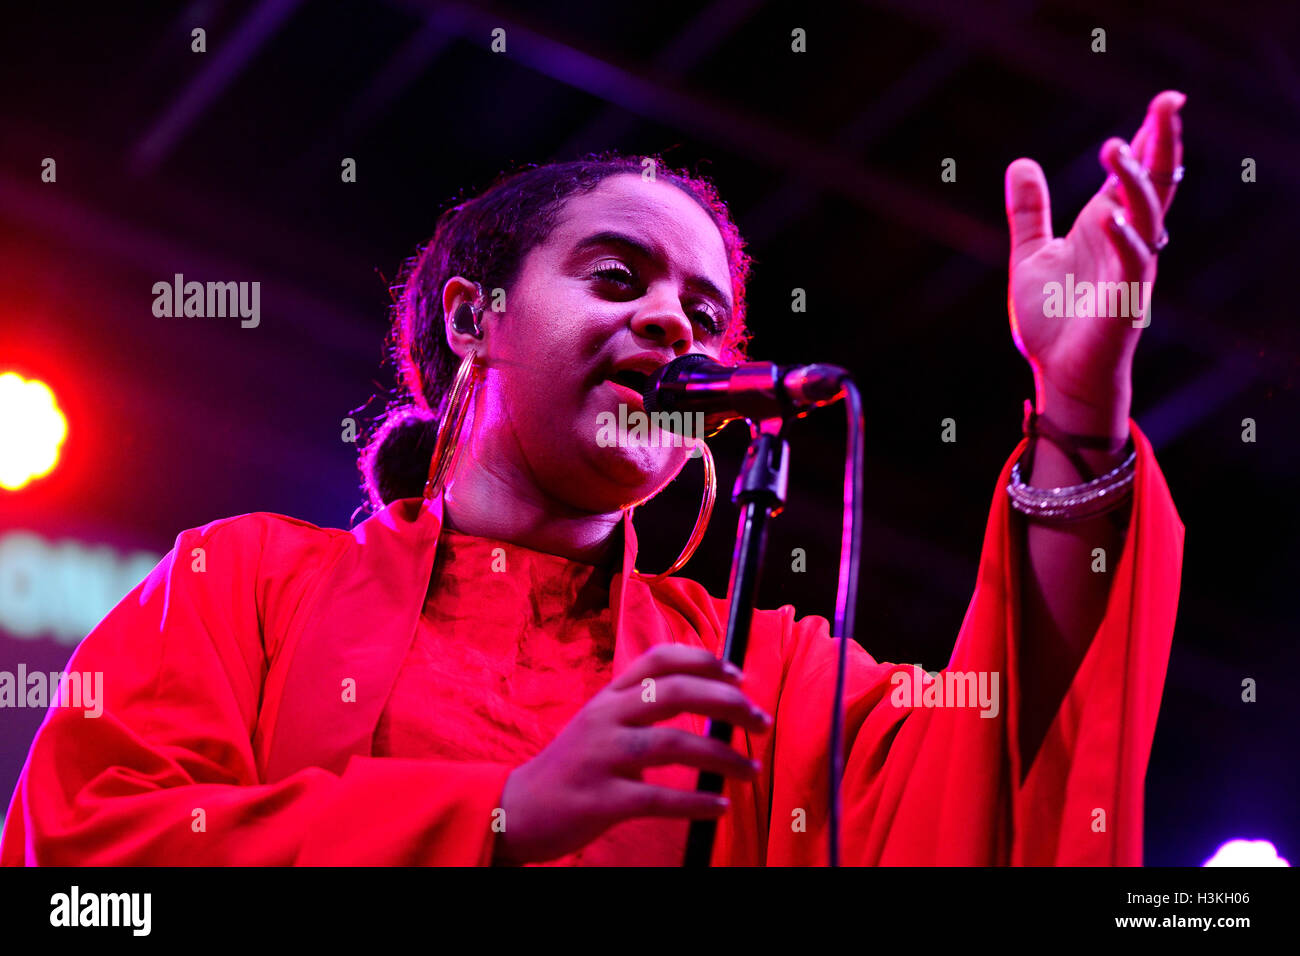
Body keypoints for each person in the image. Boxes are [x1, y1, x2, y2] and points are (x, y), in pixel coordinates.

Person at [0, 91, 1187, 867]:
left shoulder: (759, 671)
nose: (674, 324)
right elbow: (89, 863)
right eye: (618, 277)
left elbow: (1008, 761)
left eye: (707, 314)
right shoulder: (243, 578)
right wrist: (500, 816)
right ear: (473, 317)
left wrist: (1078, 408)